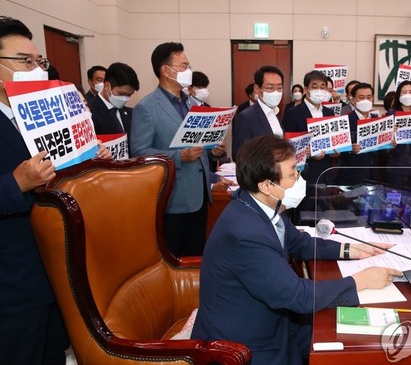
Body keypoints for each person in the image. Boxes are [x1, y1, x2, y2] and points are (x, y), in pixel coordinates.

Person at [191, 134, 401, 365]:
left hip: (272, 321)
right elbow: (296, 296)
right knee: (340, 349)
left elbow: (299, 242)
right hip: (241, 349)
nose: (299, 180)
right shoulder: (246, 233)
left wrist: (351, 250)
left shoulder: (259, 205)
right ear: (267, 185)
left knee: (342, 340)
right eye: (293, 174)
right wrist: (361, 281)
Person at [0, 15, 111, 365]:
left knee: (53, 363)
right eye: (25, 61)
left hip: (58, 269)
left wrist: (90, 160)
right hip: (13, 285)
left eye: (39, 62)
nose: (37, 69)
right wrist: (15, 183)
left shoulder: (40, 116)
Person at [130, 42, 230, 257]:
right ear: (166, 70)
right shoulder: (146, 107)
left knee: (197, 255)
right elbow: (139, 152)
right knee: (175, 259)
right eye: (183, 66)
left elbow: (194, 140)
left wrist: (211, 150)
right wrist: (178, 156)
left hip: (200, 195)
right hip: (174, 199)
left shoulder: (190, 104)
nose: (189, 71)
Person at [283, 70, 340, 185]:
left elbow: (334, 141)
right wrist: (306, 153)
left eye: (322, 87)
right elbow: (287, 145)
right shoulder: (292, 113)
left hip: (326, 174)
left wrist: (337, 151)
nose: (319, 90)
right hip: (303, 175)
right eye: (315, 87)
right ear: (306, 89)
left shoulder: (330, 113)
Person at [232, 65, 285, 160]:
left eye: (279, 88)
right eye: (270, 87)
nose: (275, 92)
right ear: (257, 88)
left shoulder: (276, 113)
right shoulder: (246, 117)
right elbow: (239, 155)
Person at [336, 83, 383, 185]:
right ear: (353, 100)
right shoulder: (345, 121)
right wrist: (350, 149)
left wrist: (390, 143)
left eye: (369, 97)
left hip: (374, 174)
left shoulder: (379, 121)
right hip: (352, 174)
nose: (366, 100)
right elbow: (338, 149)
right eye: (361, 97)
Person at [90, 62, 139, 136]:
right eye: (122, 94)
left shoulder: (130, 113)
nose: (125, 99)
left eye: (129, 95)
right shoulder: (90, 113)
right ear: (107, 86)